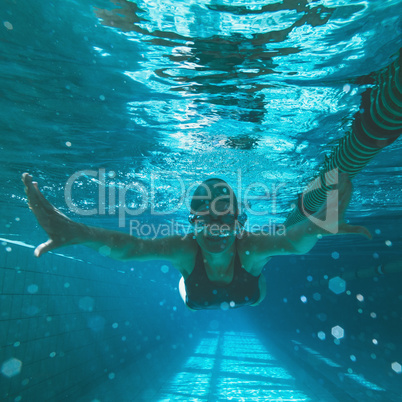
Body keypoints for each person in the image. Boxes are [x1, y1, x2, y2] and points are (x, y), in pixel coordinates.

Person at [22, 173, 370, 310]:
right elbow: (130, 247)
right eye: (205, 219)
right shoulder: (185, 247)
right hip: (197, 291)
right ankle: (191, 281)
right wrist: (77, 232)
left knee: (251, 298)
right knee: (197, 295)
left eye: (224, 219)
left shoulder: (249, 245)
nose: (216, 228)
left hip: (248, 290)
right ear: (193, 222)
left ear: (238, 222)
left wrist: (319, 226)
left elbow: (294, 241)